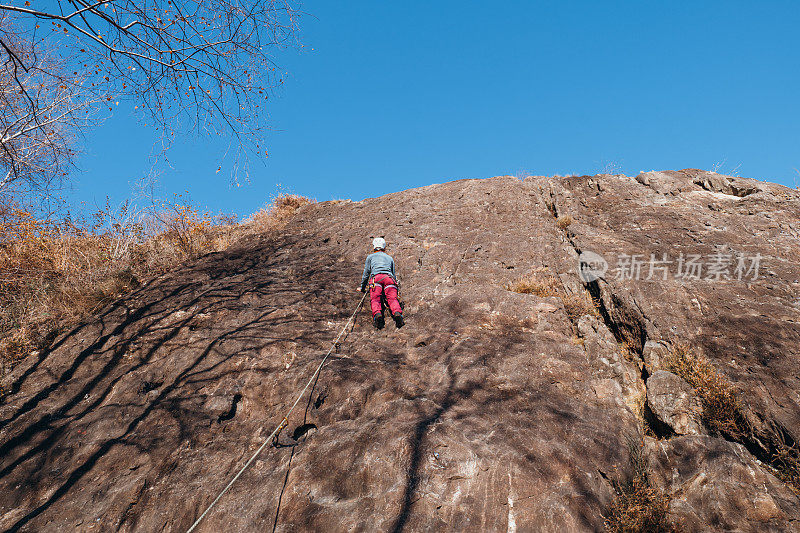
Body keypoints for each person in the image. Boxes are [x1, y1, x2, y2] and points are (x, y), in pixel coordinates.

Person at [359, 237, 404, 329]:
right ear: (384, 247)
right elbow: (393, 274)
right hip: (389, 278)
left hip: (376, 279)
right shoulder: (389, 258)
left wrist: (362, 288)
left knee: (375, 299)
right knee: (392, 299)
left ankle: (378, 315)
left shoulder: (370, 257)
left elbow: (366, 274)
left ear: (374, 247)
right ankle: (397, 313)